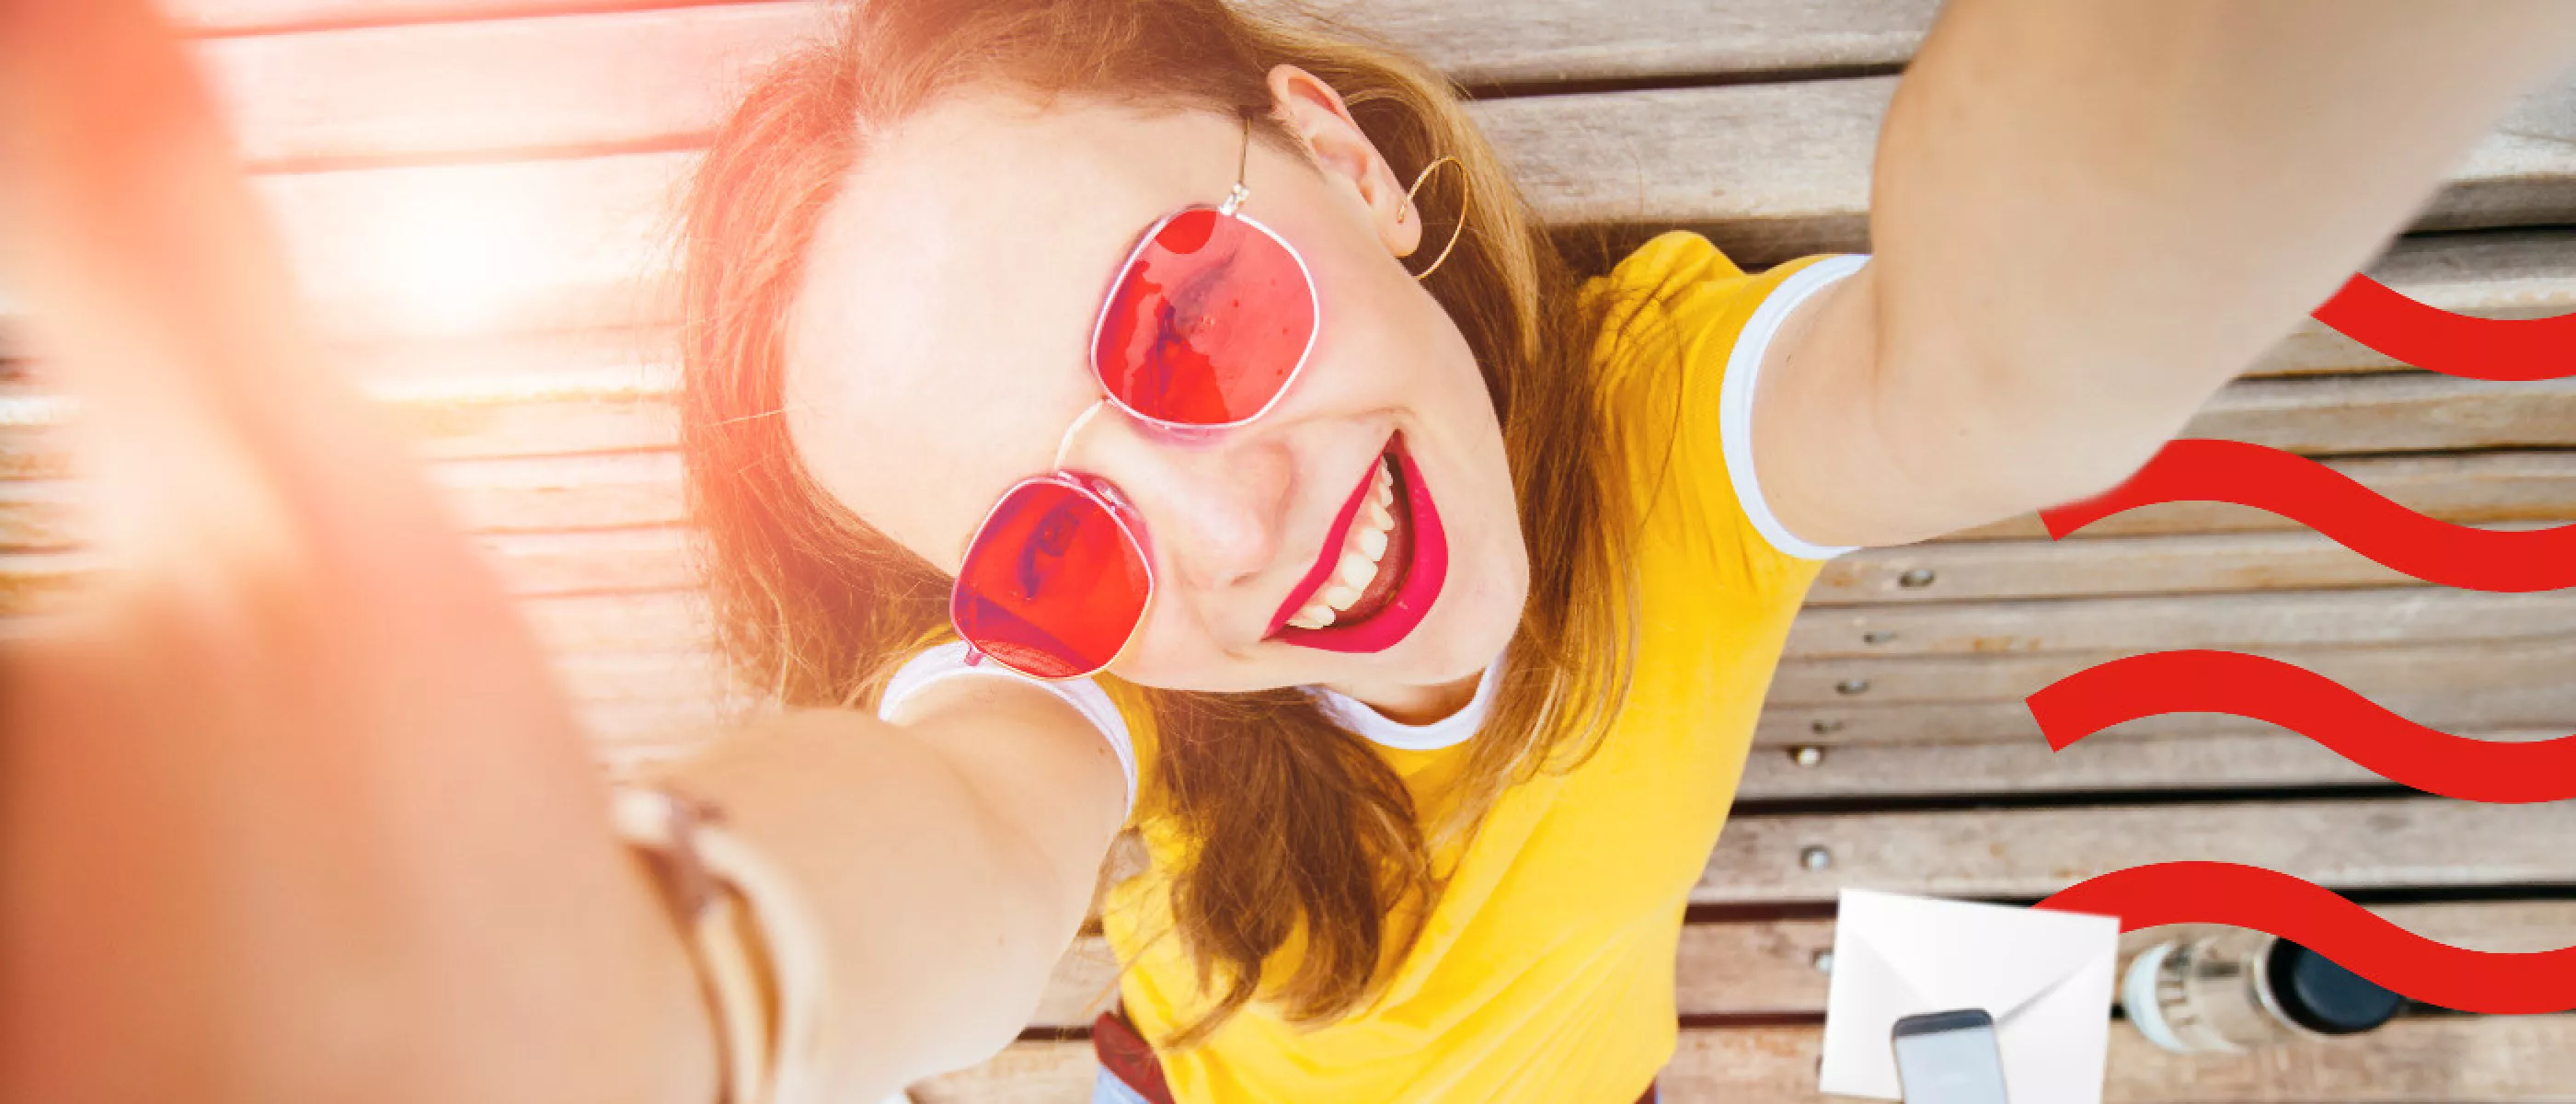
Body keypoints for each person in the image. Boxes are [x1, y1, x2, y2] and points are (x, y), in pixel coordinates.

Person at [6, 1, 2573, 1102]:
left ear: (1332, 162)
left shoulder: (1677, 436)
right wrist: (673, 980)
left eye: (1186, 315)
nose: (1226, 527)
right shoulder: (1080, 704)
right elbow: (943, 830)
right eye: (1045, 538)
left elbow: (2003, 350)